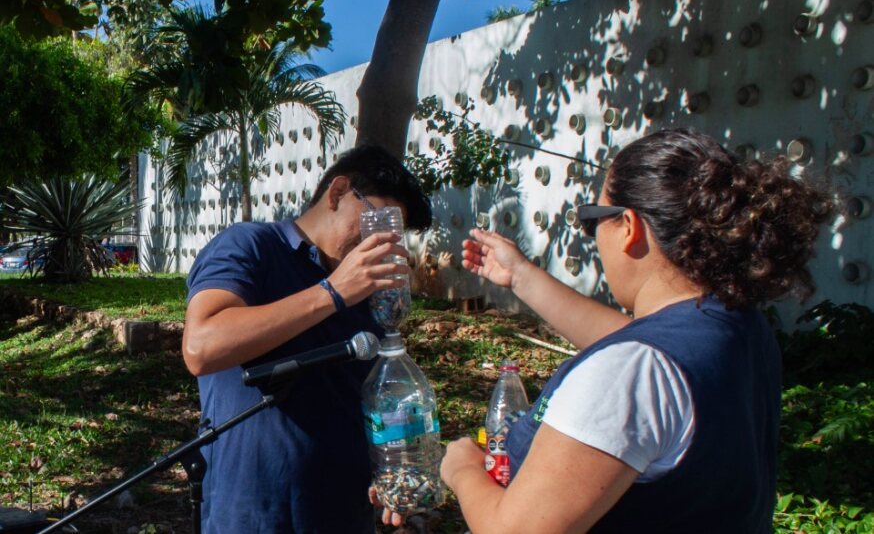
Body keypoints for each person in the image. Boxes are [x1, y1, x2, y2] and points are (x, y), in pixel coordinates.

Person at [439, 128, 832, 533]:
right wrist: (521, 276)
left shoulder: (631, 372)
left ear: (629, 227)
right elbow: (632, 342)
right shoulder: (736, 324)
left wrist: (463, 470)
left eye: (593, 220)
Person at [182, 144, 431, 533]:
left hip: (343, 516)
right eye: (377, 221)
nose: (382, 242)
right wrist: (332, 293)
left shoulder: (369, 291)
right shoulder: (251, 245)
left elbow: (374, 393)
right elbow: (201, 347)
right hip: (253, 517)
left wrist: (392, 468)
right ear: (338, 192)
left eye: (394, 233)